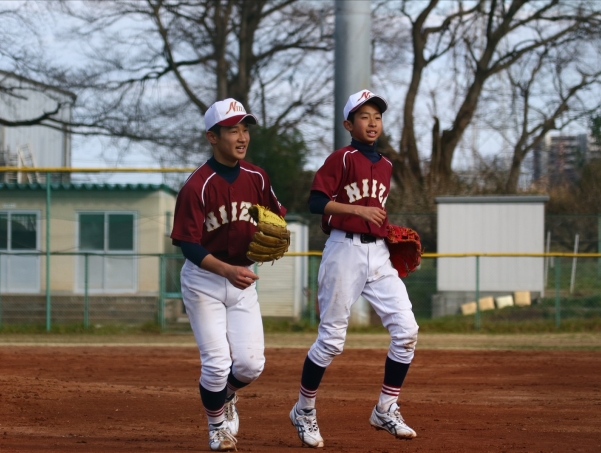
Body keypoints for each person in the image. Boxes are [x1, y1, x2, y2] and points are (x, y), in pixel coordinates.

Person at [289, 90, 419, 448]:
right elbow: (316, 202)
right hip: (343, 251)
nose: (372, 122)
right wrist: (357, 211)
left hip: (378, 254)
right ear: (349, 124)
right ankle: (303, 410)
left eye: (377, 116)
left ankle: (386, 408)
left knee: (407, 331)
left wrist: (386, 231)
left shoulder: (387, 165)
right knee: (331, 341)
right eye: (364, 116)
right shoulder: (341, 158)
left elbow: (376, 211)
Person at [171, 98, 286, 452]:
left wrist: (277, 231)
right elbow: (187, 243)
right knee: (217, 364)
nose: (242, 137)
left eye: (245, 129)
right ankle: (217, 427)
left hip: (242, 278)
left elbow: (276, 216)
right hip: (203, 279)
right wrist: (226, 270)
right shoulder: (197, 186)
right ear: (212, 136)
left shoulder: (257, 177)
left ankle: (227, 395)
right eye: (233, 130)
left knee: (250, 366)